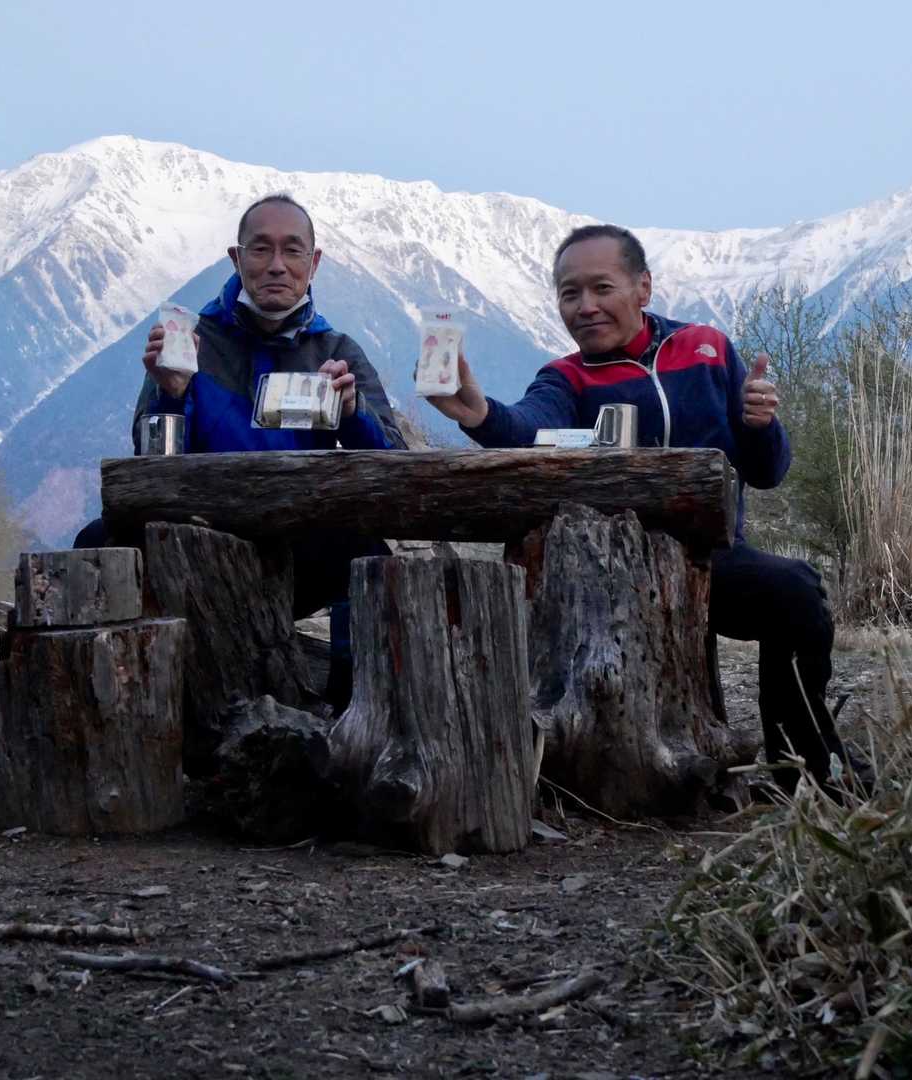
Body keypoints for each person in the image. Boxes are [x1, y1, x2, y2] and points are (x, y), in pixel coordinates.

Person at [427, 223, 866, 793]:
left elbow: (768, 472)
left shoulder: (707, 351)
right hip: (606, 572)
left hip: (712, 560)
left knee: (796, 591)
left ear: (643, 288)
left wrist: (761, 425)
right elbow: (530, 428)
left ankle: (805, 766)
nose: (585, 306)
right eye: (569, 293)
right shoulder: (566, 377)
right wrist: (480, 415)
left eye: (601, 288)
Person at [81, 193, 407, 708]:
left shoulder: (336, 352)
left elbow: (396, 466)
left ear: (314, 263)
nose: (277, 265)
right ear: (237, 258)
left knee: (369, 559)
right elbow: (148, 471)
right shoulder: (190, 343)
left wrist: (352, 412)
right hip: (197, 545)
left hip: (299, 550)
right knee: (97, 544)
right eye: (260, 249)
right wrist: (171, 395)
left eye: (292, 250)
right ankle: (116, 705)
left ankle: (353, 715)